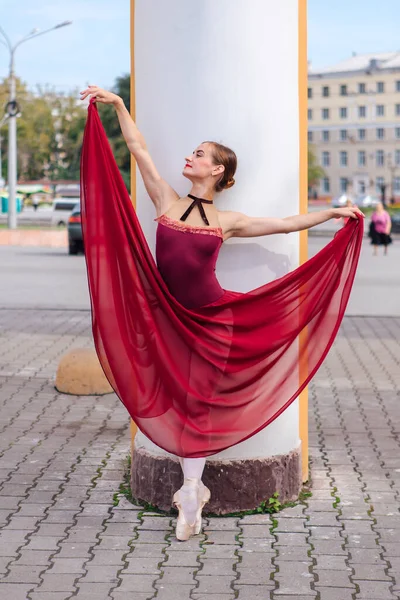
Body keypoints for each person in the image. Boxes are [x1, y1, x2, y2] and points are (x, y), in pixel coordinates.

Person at [80, 86, 364, 541]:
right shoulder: (166, 201)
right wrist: (117, 105)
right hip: (168, 318)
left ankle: (191, 492)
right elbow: (138, 149)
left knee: (197, 405)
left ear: (217, 169)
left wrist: (330, 212)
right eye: (192, 151)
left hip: (213, 321)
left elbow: (285, 223)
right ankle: (192, 491)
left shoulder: (227, 221)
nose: (190, 157)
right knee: (169, 395)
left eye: (200, 154)